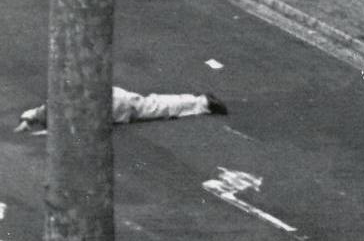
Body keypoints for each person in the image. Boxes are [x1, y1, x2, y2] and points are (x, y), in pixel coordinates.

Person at [16, 86, 228, 135]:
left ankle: (202, 103)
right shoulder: (61, 100)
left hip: (111, 105)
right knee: (152, 105)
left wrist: (32, 119)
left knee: (152, 108)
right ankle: (200, 103)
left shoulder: (61, 107)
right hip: (110, 98)